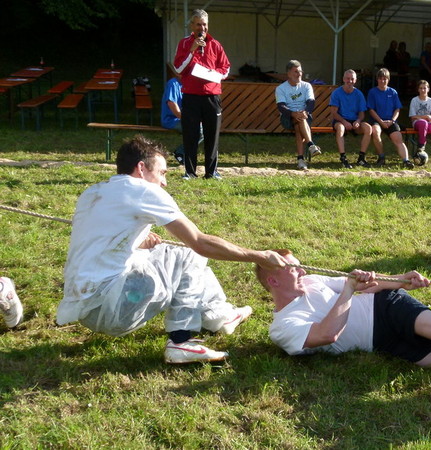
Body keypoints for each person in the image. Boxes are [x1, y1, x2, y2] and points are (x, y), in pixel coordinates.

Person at [56, 136, 286, 364]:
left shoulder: (94, 192)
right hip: (113, 309)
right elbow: (200, 242)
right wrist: (258, 256)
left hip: (83, 308)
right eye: (162, 173)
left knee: (170, 253)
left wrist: (136, 241)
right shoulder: (142, 190)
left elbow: (99, 241)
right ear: (141, 168)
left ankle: (219, 315)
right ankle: (181, 341)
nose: (164, 182)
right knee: (189, 254)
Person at [256, 249, 431, 373]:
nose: (303, 271)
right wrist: (349, 289)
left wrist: (401, 280)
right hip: (382, 342)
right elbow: (327, 335)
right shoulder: (282, 327)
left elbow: (367, 286)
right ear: (273, 281)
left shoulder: (313, 281)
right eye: (294, 268)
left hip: (384, 307)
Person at [173, 9, 230, 180]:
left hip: (212, 96)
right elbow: (178, 68)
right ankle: (190, 172)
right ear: (192, 26)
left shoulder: (216, 45)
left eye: (204, 24)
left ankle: (211, 172)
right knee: (190, 134)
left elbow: (226, 68)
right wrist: (192, 50)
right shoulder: (184, 43)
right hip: (191, 96)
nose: (202, 28)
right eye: (198, 24)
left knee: (212, 135)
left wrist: (215, 74)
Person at [277, 60, 322, 171]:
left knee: (299, 125)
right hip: (287, 117)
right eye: (296, 72)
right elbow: (281, 106)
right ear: (288, 74)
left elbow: (311, 102)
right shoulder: (281, 88)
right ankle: (311, 145)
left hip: (304, 115)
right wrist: (293, 113)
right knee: (299, 120)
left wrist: (305, 112)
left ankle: (301, 160)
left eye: (300, 71)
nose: (299, 74)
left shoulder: (306, 86)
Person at [367, 68, 414, 169]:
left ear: (388, 80)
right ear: (377, 79)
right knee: (375, 131)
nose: (382, 81)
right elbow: (371, 110)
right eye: (380, 78)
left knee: (398, 138)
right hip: (377, 121)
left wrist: (392, 121)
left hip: (390, 121)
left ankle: (406, 161)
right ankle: (381, 157)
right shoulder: (372, 92)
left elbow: (397, 109)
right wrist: (381, 122)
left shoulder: (393, 92)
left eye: (385, 79)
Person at [330, 69, 373, 168]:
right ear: (343, 79)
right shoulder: (336, 93)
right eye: (347, 78)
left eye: (352, 79)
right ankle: (343, 158)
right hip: (340, 120)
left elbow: (362, 113)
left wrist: (358, 121)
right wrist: (344, 122)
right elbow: (334, 113)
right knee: (340, 128)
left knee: (368, 128)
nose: (350, 81)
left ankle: (361, 158)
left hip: (354, 121)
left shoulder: (359, 94)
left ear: (355, 80)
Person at [160, 63, 201, 167]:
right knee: (197, 129)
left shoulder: (189, 85)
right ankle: (180, 152)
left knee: (203, 128)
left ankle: (185, 153)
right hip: (171, 120)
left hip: (184, 118)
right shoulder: (173, 83)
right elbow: (171, 103)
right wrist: (187, 119)